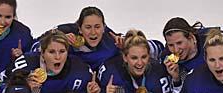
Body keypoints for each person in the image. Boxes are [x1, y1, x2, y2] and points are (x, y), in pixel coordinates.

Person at [32, 7, 163, 71]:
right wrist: (56, 41)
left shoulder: (112, 41)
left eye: (97, 27)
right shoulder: (64, 33)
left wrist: (128, 43)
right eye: (88, 27)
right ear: (80, 28)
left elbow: (155, 48)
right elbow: (34, 47)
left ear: (104, 27)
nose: (93, 32)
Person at [4, 29, 98, 93]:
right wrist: (22, 87)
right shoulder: (24, 64)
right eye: (52, 52)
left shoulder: (81, 70)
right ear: (43, 53)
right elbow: (0, 91)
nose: (58, 57)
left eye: (62, 51)